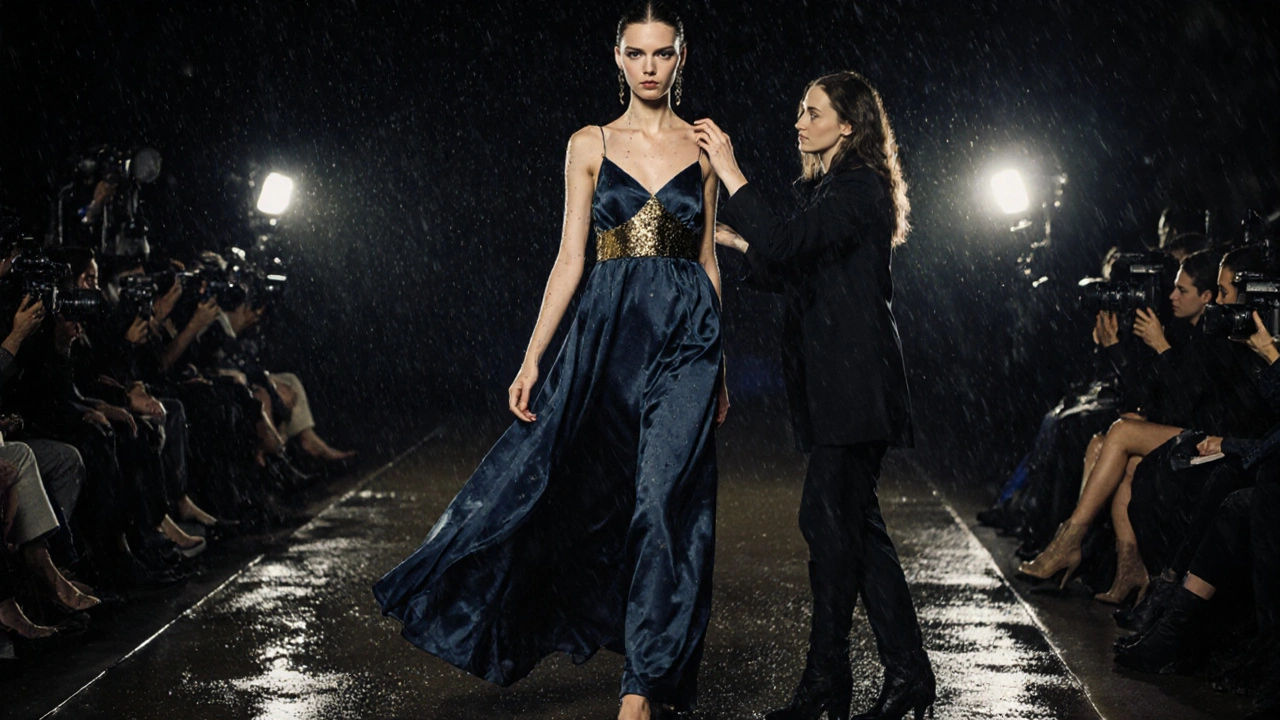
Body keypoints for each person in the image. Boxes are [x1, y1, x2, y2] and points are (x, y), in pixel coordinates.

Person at [374, 4, 725, 719]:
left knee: (664, 505)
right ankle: (605, 634)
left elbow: (710, 256)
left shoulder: (706, 143)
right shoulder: (589, 143)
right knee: (590, 498)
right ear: (617, 57)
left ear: (681, 57)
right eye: (637, 53)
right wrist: (533, 356)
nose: (650, 66)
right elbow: (570, 257)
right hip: (610, 335)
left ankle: (642, 687)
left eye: (662, 53)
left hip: (690, 336)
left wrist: (722, 359)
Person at [696, 71, 933, 720]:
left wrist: (731, 171)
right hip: (841, 389)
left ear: (848, 124)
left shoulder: (860, 187)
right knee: (852, 530)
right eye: (800, 111)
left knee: (830, 524)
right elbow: (789, 265)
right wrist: (744, 243)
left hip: (856, 389)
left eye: (813, 112)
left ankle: (829, 683)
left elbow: (787, 246)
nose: (799, 123)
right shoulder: (835, 189)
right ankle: (900, 675)